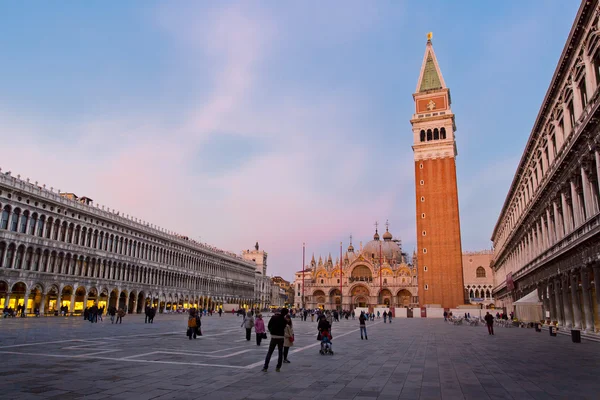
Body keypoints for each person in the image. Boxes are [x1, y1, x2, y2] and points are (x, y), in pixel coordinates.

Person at [262, 308, 288, 372]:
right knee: (280, 353)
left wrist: (271, 332)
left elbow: (269, 325)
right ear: (286, 313)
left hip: (274, 337)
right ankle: (278, 367)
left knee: (270, 352)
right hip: (281, 337)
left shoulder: (274, 317)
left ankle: (265, 367)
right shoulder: (285, 320)